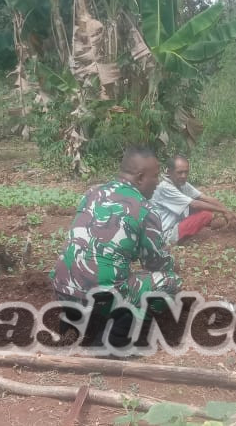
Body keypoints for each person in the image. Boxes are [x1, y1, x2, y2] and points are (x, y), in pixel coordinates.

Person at [50, 146, 182, 347]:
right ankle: (115, 339)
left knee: (101, 277)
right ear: (140, 178)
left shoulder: (92, 192)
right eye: (155, 176)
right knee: (169, 282)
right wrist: (171, 266)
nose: (158, 182)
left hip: (63, 288)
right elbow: (156, 263)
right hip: (102, 296)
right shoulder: (145, 208)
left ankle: (74, 322)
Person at [150, 154, 236, 245]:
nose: (184, 176)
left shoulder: (181, 183)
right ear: (169, 172)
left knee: (202, 207)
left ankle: (218, 221)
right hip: (165, 235)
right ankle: (180, 239)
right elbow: (195, 204)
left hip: (174, 224)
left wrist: (230, 212)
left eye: (186, 172)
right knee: (205, 214)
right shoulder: (165, 187)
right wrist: (225, 211)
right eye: (180, 172)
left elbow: (204, 198)